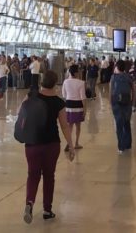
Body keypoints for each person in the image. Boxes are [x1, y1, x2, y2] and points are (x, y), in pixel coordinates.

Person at [22, 70, 74, 224]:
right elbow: (64, 126)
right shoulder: (58, 102)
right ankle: (47, 210)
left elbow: (21, 113)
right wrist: (70, 145)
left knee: (32, 175)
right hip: (51, 144)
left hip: (32, 143)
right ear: (55, 83)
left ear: (42, 81)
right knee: (49, 176)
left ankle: (29, 203)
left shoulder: (31, 96)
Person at [110, 60, 134, 154]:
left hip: (116, 103)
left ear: (116, 67)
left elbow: (111, 90)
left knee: (119, 124)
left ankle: (121, 146)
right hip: (127, 102)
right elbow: (134, 89)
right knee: (127, 123)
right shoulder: (129, 77)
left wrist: (111, 103)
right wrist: (133, 101)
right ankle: (128, 144)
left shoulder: (113, 78)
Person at [62, 65, 86, 151]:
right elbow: (83, 97)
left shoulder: (65, 82)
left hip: (68, 105)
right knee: (78, 126)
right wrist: (85, 109)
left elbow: (64, 95)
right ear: (76, 73)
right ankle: (76, 143)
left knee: (70, 125)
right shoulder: (81, 83)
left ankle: (69, 143)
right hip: (78, 106)